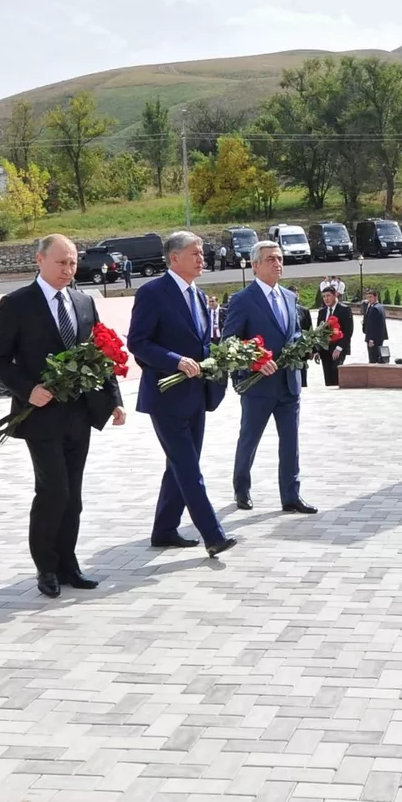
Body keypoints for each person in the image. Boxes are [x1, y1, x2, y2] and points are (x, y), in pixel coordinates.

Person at [0, 234, 127, 596]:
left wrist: (114, 400)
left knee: (73, 495)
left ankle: (68, 565)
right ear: (40, 260)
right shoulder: (17, 303)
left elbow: (101, 354)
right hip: (40, 416)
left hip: (79, 414)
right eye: (61, 262)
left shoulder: (84, 301)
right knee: (53, 491)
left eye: (73, 263)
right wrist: (27, 389)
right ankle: (45, 567)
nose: (68, 269)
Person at [128, 231, 236, 557]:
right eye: (195, 253)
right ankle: (213, 535)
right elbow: (138, 343)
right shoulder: (152, 293)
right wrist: (175, 361)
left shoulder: (199, 296)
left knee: (180, 465)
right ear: (174, 258)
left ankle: (164, 529)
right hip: (165, 397)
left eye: (202, 253)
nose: (202, 258)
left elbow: (203, 344)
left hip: (196, 396)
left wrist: (223, 357)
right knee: (188, 468)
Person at [225, 240, 315, 515]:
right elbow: (229, 341)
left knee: (291, 442)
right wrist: (255, 361)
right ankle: (242, 489)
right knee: (249, 439)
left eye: (279, 258)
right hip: (258, 386)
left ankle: (291, 495)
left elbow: (294, 333)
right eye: (271, 259)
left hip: (289, 384)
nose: (277, 263)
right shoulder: (242, 300)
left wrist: (301, 346)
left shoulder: (289, 297)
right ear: (255, 265)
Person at [315, 282, 353, 387]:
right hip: (325, 350)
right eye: (324, 296)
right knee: (328, 378)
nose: (326, 299)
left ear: (335, 295)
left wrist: (339, 348)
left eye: (328, 296)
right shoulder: (322, 312)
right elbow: (318, 332)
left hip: (338, 349)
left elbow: (348, 331)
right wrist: (317, 350)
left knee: (336, 373)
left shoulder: (344, 310)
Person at [360, 289, 389, 364]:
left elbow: (373, 325)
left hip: (374, 339)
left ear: (376, 297)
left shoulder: (375, 309)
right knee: (378, 357)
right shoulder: (380, 306)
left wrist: (371, 339)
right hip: (379, 337)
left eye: (371, 297)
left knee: (373, 359)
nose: (369, 299)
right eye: (368, 297)